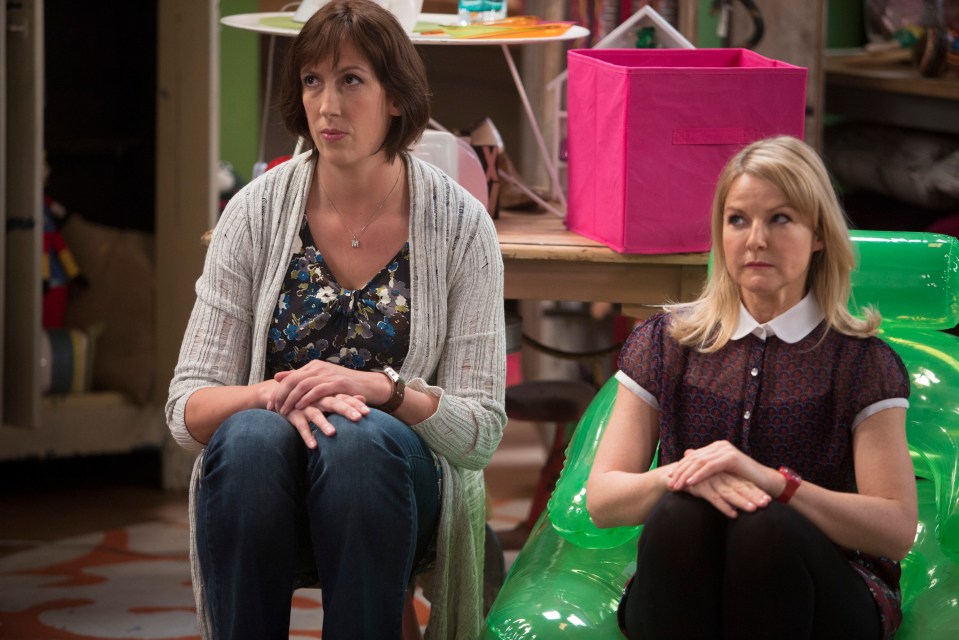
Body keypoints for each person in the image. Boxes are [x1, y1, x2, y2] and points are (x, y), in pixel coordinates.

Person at [165, 2, 507, 638]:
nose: (327, 106)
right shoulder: (254, 213)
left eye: (352, 80)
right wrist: (274, 393)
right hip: (265, 475)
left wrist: (384, 390)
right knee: (247, 437)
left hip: (397, 482)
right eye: (312, 81)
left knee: (358, 442)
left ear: (397, 97)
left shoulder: (461, 224)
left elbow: (480, 433)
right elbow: (185, 411)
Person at [586, 136, 917, 640]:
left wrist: (775, 483)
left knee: (766, 528)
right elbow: (604, 500)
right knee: (679, 509)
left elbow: (894, 529)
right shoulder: (665, 342)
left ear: (820, 234)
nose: (755, 239)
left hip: (825, 591)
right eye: (737, 219)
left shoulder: (861, 362)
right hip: (690, 582)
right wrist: (689, 473)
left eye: (780, 219)